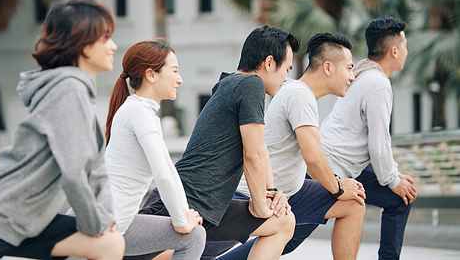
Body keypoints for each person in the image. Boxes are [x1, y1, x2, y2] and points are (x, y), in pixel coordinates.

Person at [0, 0, 125, 260]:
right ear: (82, 44)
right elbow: (74, 175)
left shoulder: (75, 91)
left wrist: (108, 217)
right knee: (108, 243)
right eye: (105, 39)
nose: (114, 46)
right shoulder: (68, 90)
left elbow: (95, 169)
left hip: (25, 222)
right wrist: (97, 224)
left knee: (110, 244)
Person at [140, 26, 297, 260]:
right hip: (178, 206)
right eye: (287, 69)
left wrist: (270, 192)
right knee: (282, 221)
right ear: (269, 62)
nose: (286, 77)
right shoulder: (251, 84)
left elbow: (259, 147)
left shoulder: (229, 82)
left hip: (199, 208)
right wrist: (259, 206)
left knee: (283, 221)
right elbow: (251, 154)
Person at [216, 33, 366, 260]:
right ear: (328, 67)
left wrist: (339, 186)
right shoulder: (299, 94)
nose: (352, 77)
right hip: (253, 194)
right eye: (348, 68)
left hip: (291, 191)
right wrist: (338, 188)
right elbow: (313, 157)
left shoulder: (299, 93)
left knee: (354, 205)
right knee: (203, 250)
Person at [319, 17, 417, 260]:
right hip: (332, 169)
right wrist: (393, 181)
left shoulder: (363, 73)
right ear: (394, 50)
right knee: (289, 234)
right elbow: (379, 144)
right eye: (404, 45)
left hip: (339, 164)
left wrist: (393, 176)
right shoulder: (378, 83)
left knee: (400, 197)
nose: (406, 51)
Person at [104, 39, 206, 259]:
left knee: (194, 235)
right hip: (102, 227)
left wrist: (185, 214)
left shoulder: (141, 111)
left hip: (119, 223)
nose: (179, 79)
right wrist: (181, 222)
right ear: (151, 75)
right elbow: (162, 176)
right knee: (192, 236)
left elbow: (169, 169)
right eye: (175, 71)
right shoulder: (139, 112)